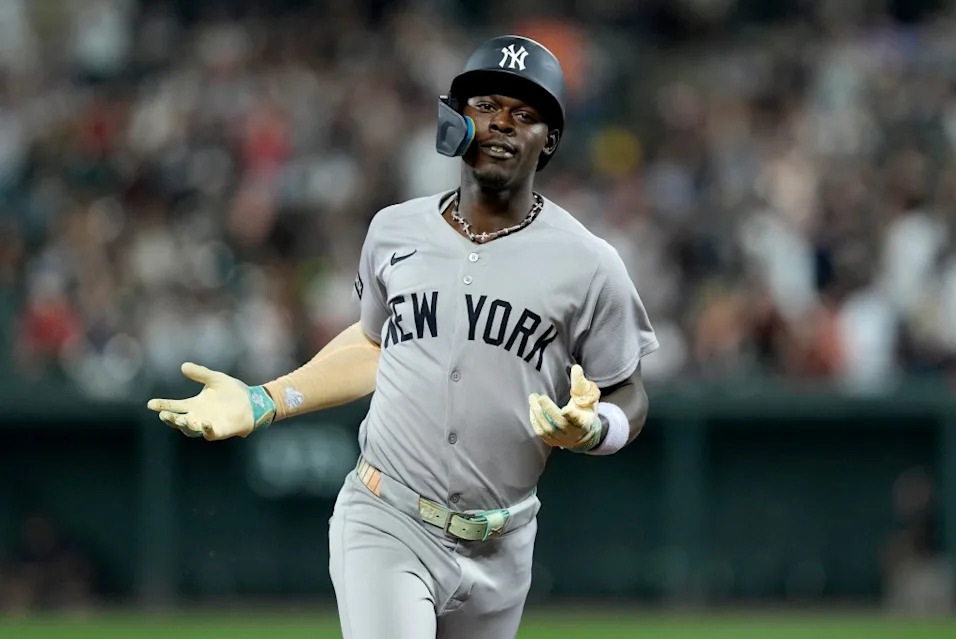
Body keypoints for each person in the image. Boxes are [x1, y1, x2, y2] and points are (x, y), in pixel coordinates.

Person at [147, 35, 658, 639]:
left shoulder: (590, 264)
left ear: (549, 141)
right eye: (486, 104)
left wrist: (597, 428)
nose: (500, 123)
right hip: (387, 518)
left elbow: (626, 389)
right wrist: (265, 400)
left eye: (525, 114)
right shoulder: (393, 231)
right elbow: (375, 346)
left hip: (504, 543)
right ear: (455, 119)